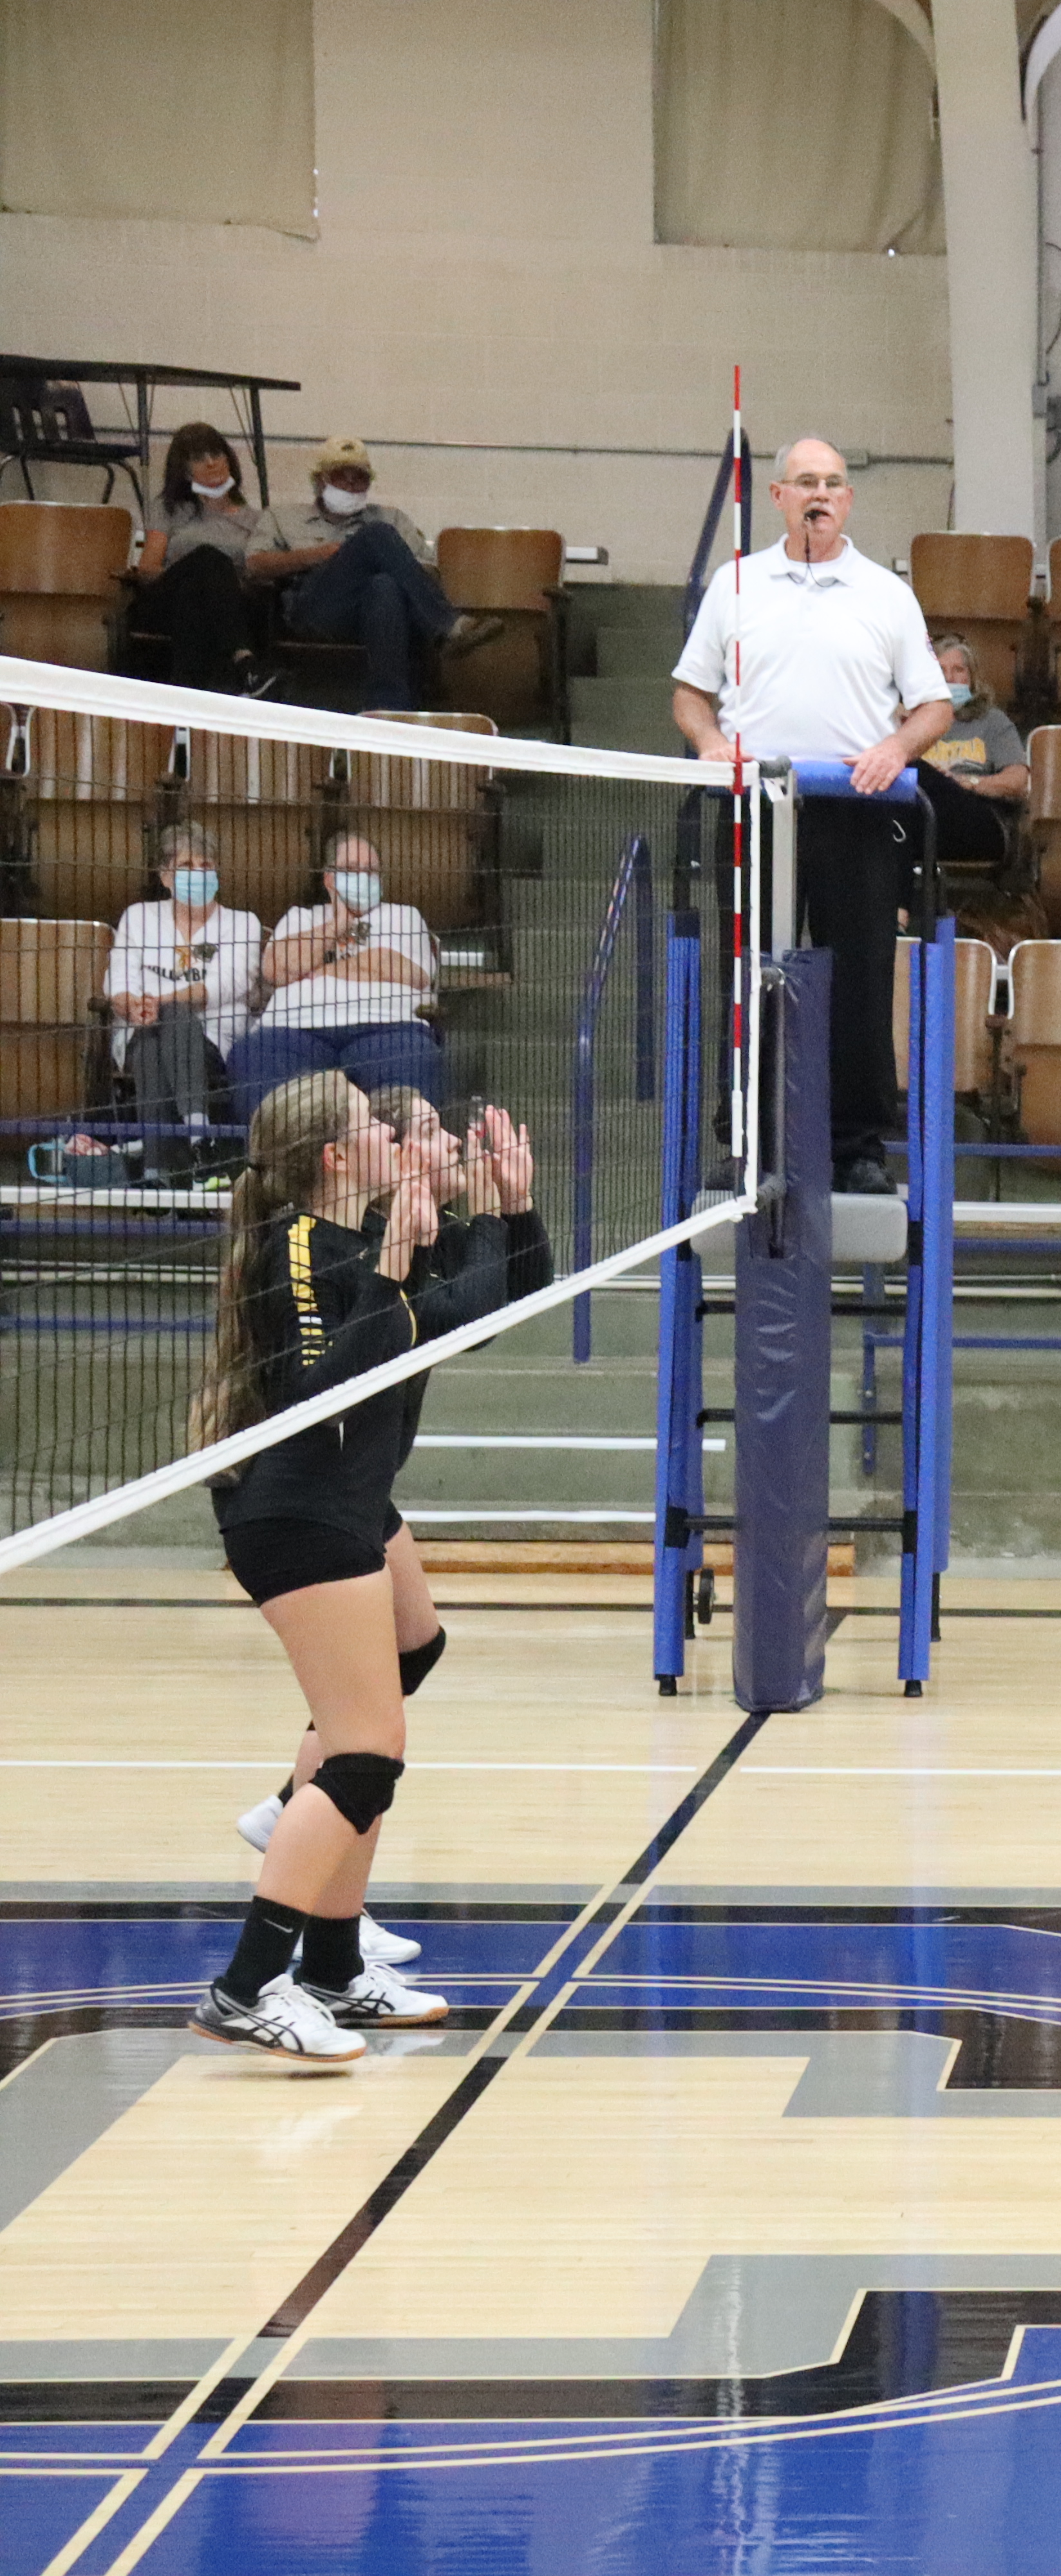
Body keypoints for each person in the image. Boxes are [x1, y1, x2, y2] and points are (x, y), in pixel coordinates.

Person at [185, 1072, 545, 2063]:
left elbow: (482, 1310)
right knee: (364, 1754)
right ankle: (247, 1988)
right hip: (298, 1511)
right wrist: (392, 1276)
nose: (397, 1136)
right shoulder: (302, 1245)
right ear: (337, 1156)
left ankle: (335, 1968)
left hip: (348, 1503)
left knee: (391, 1698)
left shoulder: (365, 1236)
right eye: (376, 1129)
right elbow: (329, 1390)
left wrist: (510, 1212)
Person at [669, 435, 950, 1193]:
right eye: (805, 482)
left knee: (860, 978)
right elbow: (691, 694)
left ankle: (856, 1148)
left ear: (847, 500)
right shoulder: (736, 584)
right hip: (755, 803)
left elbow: (934, 704)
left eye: (832, 483)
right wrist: (709, 742)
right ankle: (747, 1138)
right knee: (749, 972)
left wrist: (896, 746)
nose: (819, 494)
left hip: (857, 806)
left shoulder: (886, 594)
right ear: (780, 497)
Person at [234, 835, 444, 1104]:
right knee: (251, 1057)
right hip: (293, 1028)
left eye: (371, 871)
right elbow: (276, 969)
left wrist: (323, 969)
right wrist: (337, 926)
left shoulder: (404, 916)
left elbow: (407, 972)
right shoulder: (301, 917)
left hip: (387, 1027)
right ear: (329, 879)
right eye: (352, 870)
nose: (363, 878)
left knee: (417, 1060)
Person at [103, 826, 263, 1175]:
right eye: (187, 865)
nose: (198, 873)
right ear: (165, 876)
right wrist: (133, 1005)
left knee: (168, 1020)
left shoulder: (242, 923)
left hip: (211, 1040)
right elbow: (119, 979)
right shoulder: (139, 917)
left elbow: (228, 984)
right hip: (142, 1028)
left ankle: (157, 1171)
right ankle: (198, 1136)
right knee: (151, 1038)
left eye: (206, 865)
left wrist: (159, 1002)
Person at [131, 422, 328, 695]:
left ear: (229, 460)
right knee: (207, 561)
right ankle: (246, 666)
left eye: (216, 454)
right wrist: (197, 573)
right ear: (184, 470)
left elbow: (259, 572)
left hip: (232, 605)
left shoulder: (257, 519)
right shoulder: (170, 509)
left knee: (195, 600)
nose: (211, 463)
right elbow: (147, 569)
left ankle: (185, 696)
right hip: (167, 597)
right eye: (199, 458)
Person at [283, 435, 460, 710]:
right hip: (319, 608)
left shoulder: (393, 518)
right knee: (375, 535)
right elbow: (255, 564)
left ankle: (389, 708)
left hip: (380, 611)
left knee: (384, 585)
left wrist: (390, 564)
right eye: (341, 477)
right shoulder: (284, 517)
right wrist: (320, 554)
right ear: (320, 480)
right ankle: (447, 624)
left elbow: (428, 570)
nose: (351, 485)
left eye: (360, 479)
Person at [912, 632, 1032, 884]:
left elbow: (1018, 781)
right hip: (923, 818)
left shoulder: (992, 722)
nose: (949, 678)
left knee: (914, 769)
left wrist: (969, 783)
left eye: (958, 670)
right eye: (941, 670)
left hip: (979, 820)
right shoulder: (913, 723)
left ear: (972, 678)